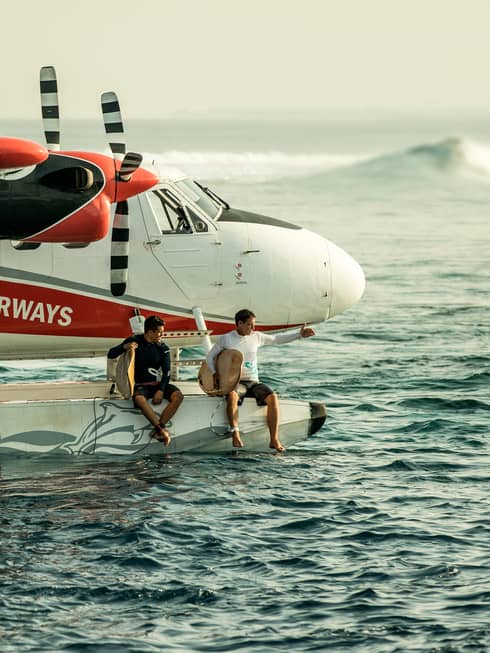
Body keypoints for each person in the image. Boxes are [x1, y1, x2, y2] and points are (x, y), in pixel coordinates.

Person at [206, 309, 315, 452]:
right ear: (239, 323)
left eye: (253, 325)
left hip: (253, 381)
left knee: (272, 397)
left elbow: (276, 339)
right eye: (249, 325)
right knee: (232, 395)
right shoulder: (227, 339)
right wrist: (214, 373)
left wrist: (299, 335)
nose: (253, 328)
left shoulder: (256, 337)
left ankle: (274, 439)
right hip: (236, 383)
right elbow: (210, 357)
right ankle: (235, 433)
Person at [107, 315, 183, 445]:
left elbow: (167, 372)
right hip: (141, 385)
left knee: (178, 396)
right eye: (159, 332)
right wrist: (125, 347)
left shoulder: (162, 347)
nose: (161, 335)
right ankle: (161, 430)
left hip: (158, 384)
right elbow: (111, 354)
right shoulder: (134, 341)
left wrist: (161, 390)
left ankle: (158, 429)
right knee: (139, 399)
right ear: (149, 331)